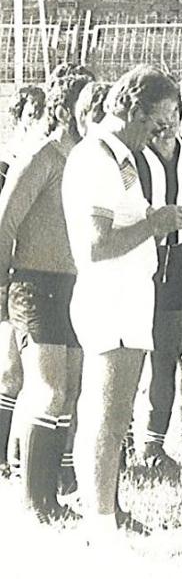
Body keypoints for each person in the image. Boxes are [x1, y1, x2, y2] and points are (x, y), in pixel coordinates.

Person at [61, 64, 182, 541]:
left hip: (130, 293)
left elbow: (122, 224)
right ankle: (99, 521)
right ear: (133, 110)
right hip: (109, 294)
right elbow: (96, 245)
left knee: (114, 414)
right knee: (108, 415)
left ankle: (103, 514)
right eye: (158, 124)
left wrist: (152, 218)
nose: (162, 134)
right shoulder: (97, 157)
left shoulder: (121, 156)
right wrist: (155, 226)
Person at [0, 70, 93, 521]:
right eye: (86, 103)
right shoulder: (42, 156)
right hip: (35, 284)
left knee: (70, 392)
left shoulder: (90, 160)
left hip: (77, 287)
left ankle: (52, 493)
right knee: (48, 389)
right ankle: (33, 499)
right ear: (62, 109)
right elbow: (6, 222)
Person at [134, 99, 182, 469]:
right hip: (143, 261)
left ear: (181, 116)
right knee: (151, 356)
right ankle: (146, 443)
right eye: (158, 119)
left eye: (172, 118)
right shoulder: (134, 156)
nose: (165, 126)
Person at [0, 85, 46, 478]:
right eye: (33, 113)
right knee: (11, 370)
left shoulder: (45, 161)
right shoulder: (7, 165)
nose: (38, 120)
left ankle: (19, 454)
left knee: (30, 373)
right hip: (9, 276)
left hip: (29, 275)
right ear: (20, 118)